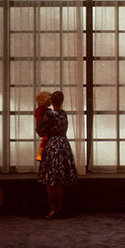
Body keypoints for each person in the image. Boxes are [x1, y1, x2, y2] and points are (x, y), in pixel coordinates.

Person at [36, 90, 78, 219]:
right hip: (64, 144)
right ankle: (60, 208)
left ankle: (53, 208)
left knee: (50, 179)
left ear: (51, 102)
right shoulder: (64, 113)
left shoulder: (48, 114)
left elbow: (40, 130)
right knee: (60, 180)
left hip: (52, 145)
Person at [34, 91, 52, 161]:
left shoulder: (40, 110)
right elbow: (41, 121)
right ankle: (39, 154)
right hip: (43, 128)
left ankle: (40, 154)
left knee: (46, 140)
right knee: (45, 139)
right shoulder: (41, 111)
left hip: (43, 127)